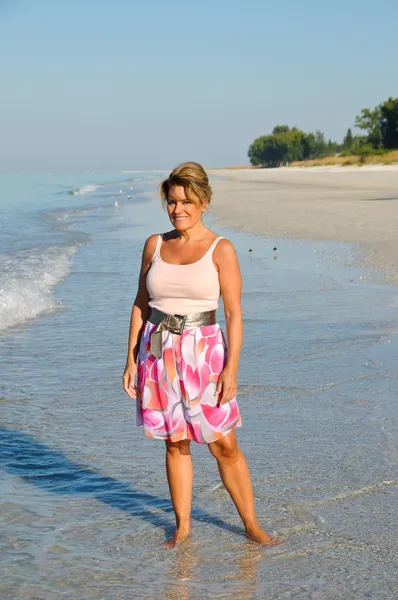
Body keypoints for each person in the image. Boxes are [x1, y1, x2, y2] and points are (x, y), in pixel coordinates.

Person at [122, 162, 281, 549]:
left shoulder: (220, 248)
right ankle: (183, 527)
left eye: (186, 201)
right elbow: (141, 304)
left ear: (204, 202)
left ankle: (251, 525)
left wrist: (232, 369)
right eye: (172, 202)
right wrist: (130, 359)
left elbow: (234, 314)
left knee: (222, 443)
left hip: (204, 352)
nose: (178, 209)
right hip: (158, 350)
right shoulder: (154, 245)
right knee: (174, 441)